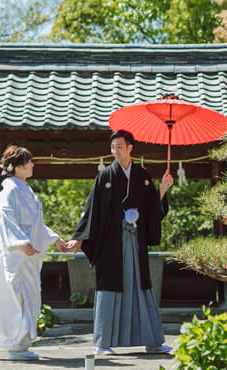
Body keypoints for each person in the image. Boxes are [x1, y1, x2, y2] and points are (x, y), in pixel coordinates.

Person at [67, 130, 174, 356]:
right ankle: (103, 343)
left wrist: (163, 190)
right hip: (110, 245)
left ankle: (153, 341)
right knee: (109, 290)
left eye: (120, 147)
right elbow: (91, 209)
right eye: (113, 148)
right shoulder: (105, 176)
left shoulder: (142, 175)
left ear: (130, 148)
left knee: (140, 287)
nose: (116, 152)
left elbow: (152, 209)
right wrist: (79, 237)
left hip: (135, 242)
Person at [0, 145, 69, 361]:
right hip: (17, 256)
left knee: (28, 299)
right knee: (11, 301)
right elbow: (6, 219)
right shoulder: (9, 192)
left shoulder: (25, 190)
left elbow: (36, 225)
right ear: (17, 167)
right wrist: (20, 242)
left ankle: (18, 346)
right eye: (29, 162)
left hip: (27, 255)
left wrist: (56, 239)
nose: (33, 165)